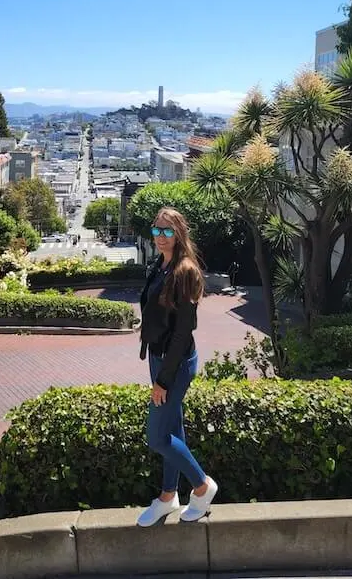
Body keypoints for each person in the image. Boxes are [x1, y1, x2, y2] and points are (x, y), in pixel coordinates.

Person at [136, 207, 218, 527]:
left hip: (176, 363)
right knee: (172, 429)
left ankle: (201, 485)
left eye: (168, 231)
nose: (160, 237)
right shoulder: (161, 264)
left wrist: (164, 381)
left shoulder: (185, 271)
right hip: (160, 358)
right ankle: (168, 497)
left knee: (156, 437)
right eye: (156, 230)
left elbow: (183, 333)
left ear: (180, 234)